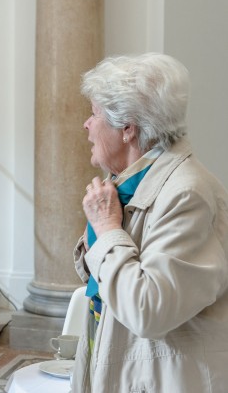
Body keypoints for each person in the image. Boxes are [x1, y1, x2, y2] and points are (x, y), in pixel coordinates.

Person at [72, 52, 228, 392]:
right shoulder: (127, 183)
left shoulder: (187, 194)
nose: (86, 124)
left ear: (127, 128)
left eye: (94, 114)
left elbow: (149, 310)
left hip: (164, 378)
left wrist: (109, 229)